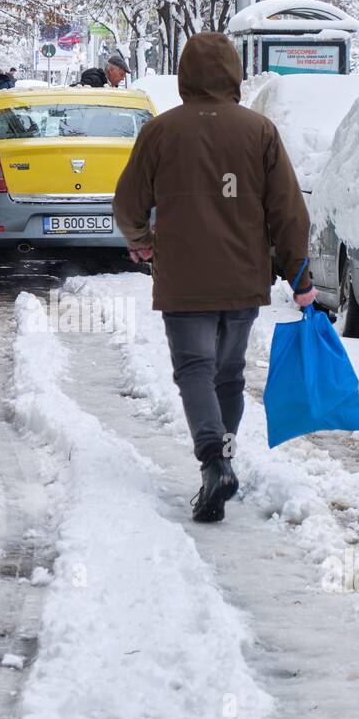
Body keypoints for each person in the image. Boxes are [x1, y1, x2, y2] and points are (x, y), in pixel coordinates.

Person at [113, 32, 314, 523]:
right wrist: (298, 274)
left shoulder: (160, 132)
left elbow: (127, 203)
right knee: (228, 374)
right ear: (232, 74)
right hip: (244, 278)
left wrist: (141, 241)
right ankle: (223, 453)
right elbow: (288, 210)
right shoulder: (259, 131)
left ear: (185, 75)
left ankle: (214, 462)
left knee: (194, 371)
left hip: (182, 278)